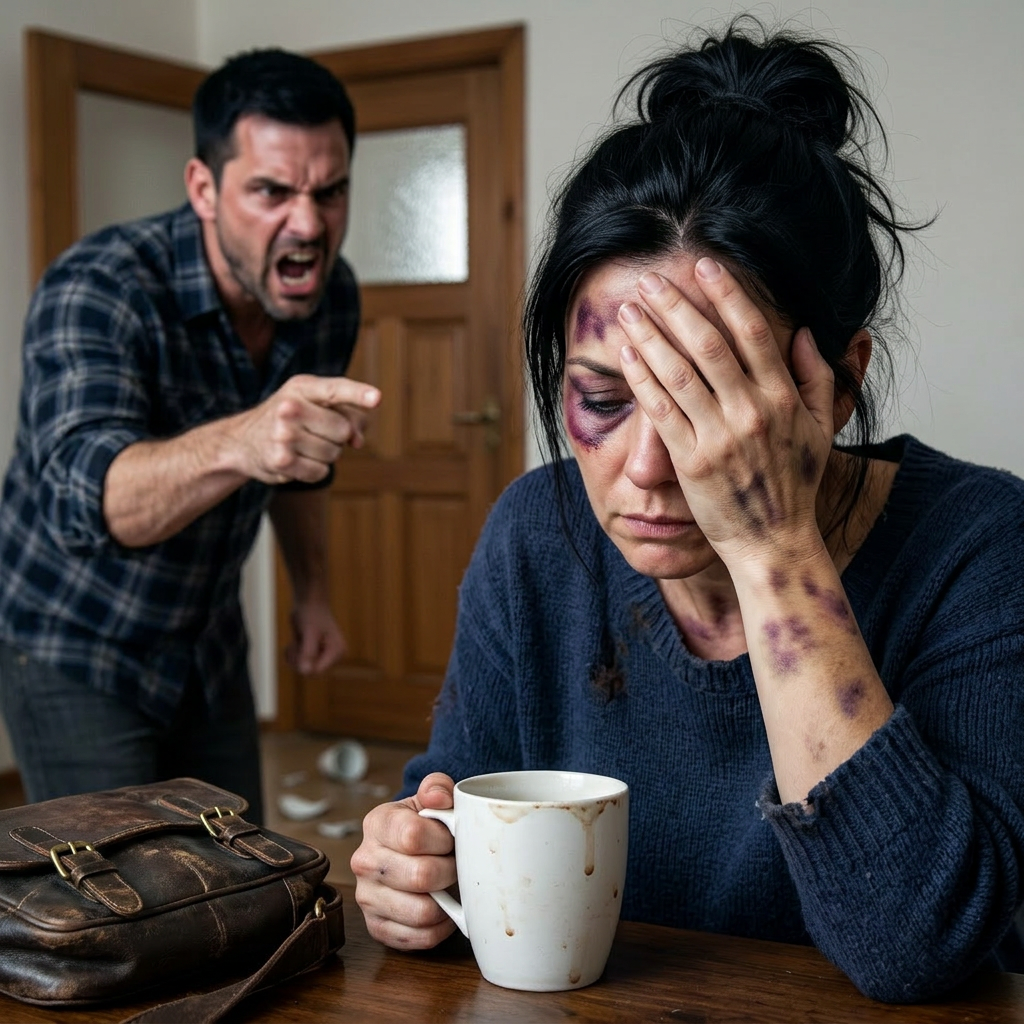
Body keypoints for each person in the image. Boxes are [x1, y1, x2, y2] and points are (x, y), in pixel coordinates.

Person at [350, 19, 1024, 1004]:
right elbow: (459, 797)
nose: (650, 468)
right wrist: (411, 864)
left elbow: (917, 940)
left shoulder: (979, 545)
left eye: (712, 404)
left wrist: (771, 548)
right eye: (603, 399)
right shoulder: (537, 535)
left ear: (839, 385)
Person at [0, 49, 378, 823]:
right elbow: (96, 502)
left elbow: (300, 459)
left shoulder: (330, 296)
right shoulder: (100, 286)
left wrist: (312, 595)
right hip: (75, 642)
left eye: (330, 192)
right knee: (112, 905)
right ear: (204, 188)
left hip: (206, 641)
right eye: (271, 191)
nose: (307, 224)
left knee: (239, 877)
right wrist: (243, 439)